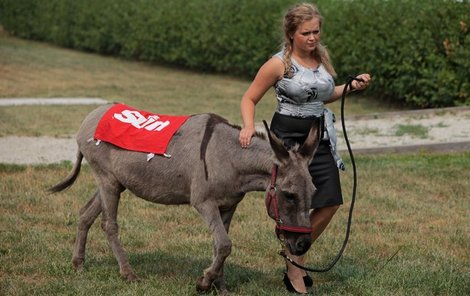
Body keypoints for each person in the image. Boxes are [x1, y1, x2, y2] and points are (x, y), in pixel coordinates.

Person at [238, 3, 371, 294]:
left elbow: (322, 97)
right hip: (287, 141)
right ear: (291, 34)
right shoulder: (279, 64)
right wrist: (249, 126)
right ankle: (295, 271)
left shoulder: (320, 60)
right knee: (295, 204)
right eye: (306, 33)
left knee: (331, 200)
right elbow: (249, 98)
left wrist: (351, 87)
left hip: (318, 138)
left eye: (316, 32)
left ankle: (294, 254)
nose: (313, 38)